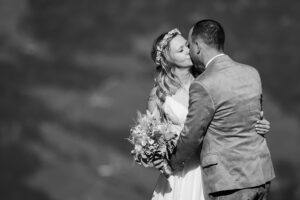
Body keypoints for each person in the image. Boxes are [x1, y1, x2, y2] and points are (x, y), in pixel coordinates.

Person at [148, 24, 272, 200]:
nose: (187, 50)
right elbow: (152, 136)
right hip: (180, 171)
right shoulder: (159, 94)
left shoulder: (207, 81)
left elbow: (233, 112)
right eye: (181, 49)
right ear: (168, 59)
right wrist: (158, 157)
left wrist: (259, 124)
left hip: (214, 170)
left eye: (187, 46)